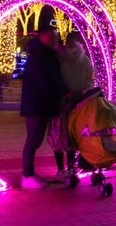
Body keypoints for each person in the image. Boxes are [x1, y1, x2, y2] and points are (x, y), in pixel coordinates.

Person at [19, 24, 69, 189]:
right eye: (52, 34)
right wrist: (63, 90)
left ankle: (30, 174)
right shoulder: (39, 55)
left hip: (42, 103)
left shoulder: (45, 53)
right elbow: (45, 79)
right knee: (33, 140)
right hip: (36, 104)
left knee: (36, 140)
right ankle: (27, 176)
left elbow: (52, 76)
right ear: (43, 35)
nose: (55, 37)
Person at [52, 31, 95, 180]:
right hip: (78, 105)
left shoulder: (60, 60)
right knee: (73, 136)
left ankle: (60, 169)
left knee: (58, 137)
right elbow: (89, 83)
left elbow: (55, 80)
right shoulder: (86, 61)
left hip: (61, 103)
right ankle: (71, 167)